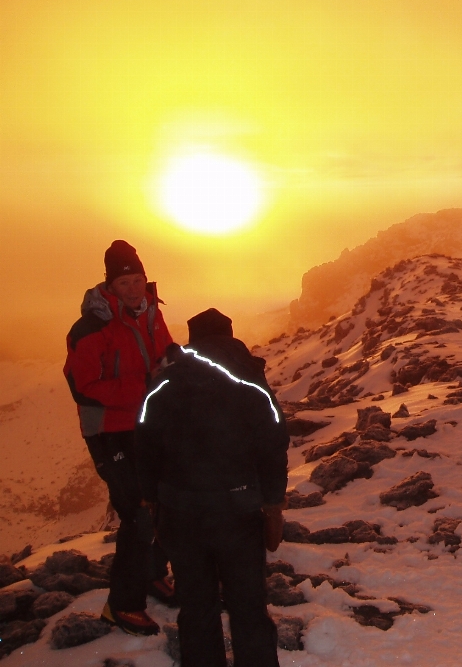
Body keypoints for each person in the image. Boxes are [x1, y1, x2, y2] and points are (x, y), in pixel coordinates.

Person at [137, 308, 289, 667]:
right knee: (248, 604)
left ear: (192, 343)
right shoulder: (252, 385)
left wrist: (151, 500)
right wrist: (273, 504)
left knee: (196, 605)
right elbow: (274, 445)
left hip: (181, 512)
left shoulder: (163, 386)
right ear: (231, 338)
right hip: (239, 511)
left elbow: (145, 445)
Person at [64, 240, 176, 636]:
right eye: (124, 281)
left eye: (137, 279)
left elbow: (162, 355)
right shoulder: (91, 327)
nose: (132, 288)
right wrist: (145, 385)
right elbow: (84, 386)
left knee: (165, 500)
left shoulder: (150, 312)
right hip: (109, 432)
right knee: (138, 515)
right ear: (110, 285)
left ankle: (150, 574)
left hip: (146, 423)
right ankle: (122, 606)